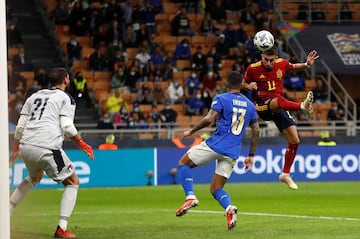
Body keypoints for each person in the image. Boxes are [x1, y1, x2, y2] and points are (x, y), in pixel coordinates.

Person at [9, 67, 94, 238]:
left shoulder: (34, 96)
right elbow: (67, 127)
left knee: (34, 177)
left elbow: (20, 125)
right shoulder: (66, 98)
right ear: (65, 79)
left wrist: (16, 149)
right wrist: (82, 143)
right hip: (47, 147)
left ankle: (5, 213)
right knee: (72, 181)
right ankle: (62, 229)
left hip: (26, 146)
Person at [175, 71, 259, 231]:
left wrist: (191, 132)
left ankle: (190, 196)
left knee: (183, 163)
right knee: (216, 189)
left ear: (227, 83)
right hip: (233, 151)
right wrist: (251, 156)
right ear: (241, 84)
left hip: (217, 144)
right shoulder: (250, 105)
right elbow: (256, 131)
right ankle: (229, 208)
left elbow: (209, 119)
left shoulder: (221, 98)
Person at [242, 46, 319, 190]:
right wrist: (249, 86)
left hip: (278, 106)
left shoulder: (281, 63)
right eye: (266, 60)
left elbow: (294, 66)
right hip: (263, 107)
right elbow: (242, 83)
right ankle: (302, 106)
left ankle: (285, 174)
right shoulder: (252, 68)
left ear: (276, 57)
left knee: (295, 140)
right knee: (278, 100)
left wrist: (307, 64)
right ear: (261, 57)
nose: (269, 63)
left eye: (271, 60)